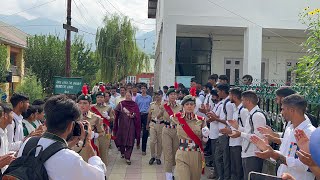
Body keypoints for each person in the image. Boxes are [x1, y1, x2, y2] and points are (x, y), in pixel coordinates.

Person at [17, 95, 106, 179]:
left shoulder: (28, 143)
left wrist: (73, 142)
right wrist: (88, 142)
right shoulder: (71, 158)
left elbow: (53, 149)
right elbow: (100, 176)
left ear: (45, 122)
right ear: (71, 126)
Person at [251, 94, 316, 180]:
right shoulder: (290, 129)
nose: (281, 112)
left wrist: (275, 155)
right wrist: (268, 150)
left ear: (292, 110)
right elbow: (284, 154)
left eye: (283, 109)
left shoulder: (310, 132)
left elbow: (307, 165)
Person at [228, 90, 266, 180]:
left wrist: (240, 133)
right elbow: (248, 132)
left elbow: (257, 137)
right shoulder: (251, 114)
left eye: (243, 100)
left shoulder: (257, 115)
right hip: (247, 152)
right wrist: (238, 127)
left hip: (254, 153)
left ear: (248, 101)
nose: (242, 102)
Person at [171, 95, 209, 180]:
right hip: (182, 153)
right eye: (187, 104)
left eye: (191, 104)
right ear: (183, 106)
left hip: (196, 154)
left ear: (195, 106)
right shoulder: (176, 118)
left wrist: (205, 137)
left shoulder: (201, 120)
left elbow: (203, 142)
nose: (189, 106)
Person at [221, 87, 250, 180]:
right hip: (233, 142)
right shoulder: (236, 109)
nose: (228, 97)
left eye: (230, 95)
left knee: (238, 171)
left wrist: (231, 131)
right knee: (234, 169)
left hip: (239, 143)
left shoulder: (243, 111)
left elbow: (247, 129)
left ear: (233, 96)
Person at [207, 84, 233, 180]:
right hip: (220, 134)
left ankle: (225, 177)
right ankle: (220, 176)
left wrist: (216, 119)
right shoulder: (223, 103)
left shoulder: (228, 104)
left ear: (222, 91)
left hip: (225, 134)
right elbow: (219, 118)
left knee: (224, 159)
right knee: (218, 158)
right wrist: (213, 116)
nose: (217, 93)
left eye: (218, 91)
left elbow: (229, 121)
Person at [76, 94, 107, 165]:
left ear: (90, 105)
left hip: (89, 147)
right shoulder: (73, 117)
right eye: (80, 103)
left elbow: (102, 132)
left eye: (85, 103)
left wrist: (95, 135)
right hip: (75, 147)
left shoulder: (96, 118)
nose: (82, 105)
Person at [114, 91, 141, 165]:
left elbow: (137, 114)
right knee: (122, 139)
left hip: (131, 125)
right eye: (127, 95)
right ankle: (122, 152)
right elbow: (116, 112)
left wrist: (133, 116)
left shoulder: (134, 104)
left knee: (130, 140)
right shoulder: (121, 104)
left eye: (129, 95)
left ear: (131, 96)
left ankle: (128, 157)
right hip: (122, 125)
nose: (128, 97)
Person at [160, 88, 182, 180]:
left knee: (176, 153)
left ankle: (174, 173)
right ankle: (168, 176)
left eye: (174, 94)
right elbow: (158, 115)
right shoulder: (164, 106)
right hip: (167, 131)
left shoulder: (180, 107)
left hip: (177, 131)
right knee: (168, 153)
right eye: (171, 94)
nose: (173, 96)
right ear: (168, 96)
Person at [91, 91, 115, 166]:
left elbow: (113, 118)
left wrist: (108, 117)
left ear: (104, 98)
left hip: (105, 131)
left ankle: (104, 167)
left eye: (101, 97)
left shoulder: (109, 107)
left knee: (104, 150)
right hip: (95, 132)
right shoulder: (92, 108)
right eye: (98, 97)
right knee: (95, 149)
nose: (99, 99)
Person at [207, 90, 222, 179]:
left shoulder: (220, 105)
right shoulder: (216, 105)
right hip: (213, 133)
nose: (212, 98)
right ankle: (216, 173)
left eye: (213, 96)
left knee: (217, 157)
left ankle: (218, 174)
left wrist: (211, 117)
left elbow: (217, 118)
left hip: (217, 133)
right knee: (214, 156)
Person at [147, 91, 164, 165]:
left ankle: (158, 157)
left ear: (162, 95)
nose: (157, 96)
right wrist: (147, 124)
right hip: (153, 124)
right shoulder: (152, 104)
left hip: (161, 124)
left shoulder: (164, 105)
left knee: (160, 142)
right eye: (156, 95)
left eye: (158, 95)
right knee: (152, 141)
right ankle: (152, 156)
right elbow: (149, 115)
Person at [135, 83, 152, 155]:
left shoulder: (149, 97)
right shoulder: (138, 97)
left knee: (145, 132)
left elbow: (151, 107)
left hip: (146, 115)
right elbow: (135, 106)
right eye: (142, 88)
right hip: (139, 115)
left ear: (146, 89)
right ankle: (138, 142)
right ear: (140, 89)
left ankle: (144, 149)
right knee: (138, 131)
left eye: (144, 88)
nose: (143, 90)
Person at [0, 103, 18, 172]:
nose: (13, 116)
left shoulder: (4, 131)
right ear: (5, 115)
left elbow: (6, 152)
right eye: (11, 113)